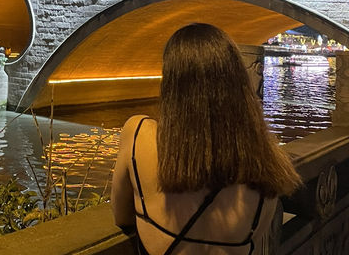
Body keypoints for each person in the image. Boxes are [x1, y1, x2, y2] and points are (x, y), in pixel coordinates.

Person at [111, 23, 300, 254]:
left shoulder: (139, 133)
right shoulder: (268, 166)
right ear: (237, 82)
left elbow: (121, 215)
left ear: (171, 82)